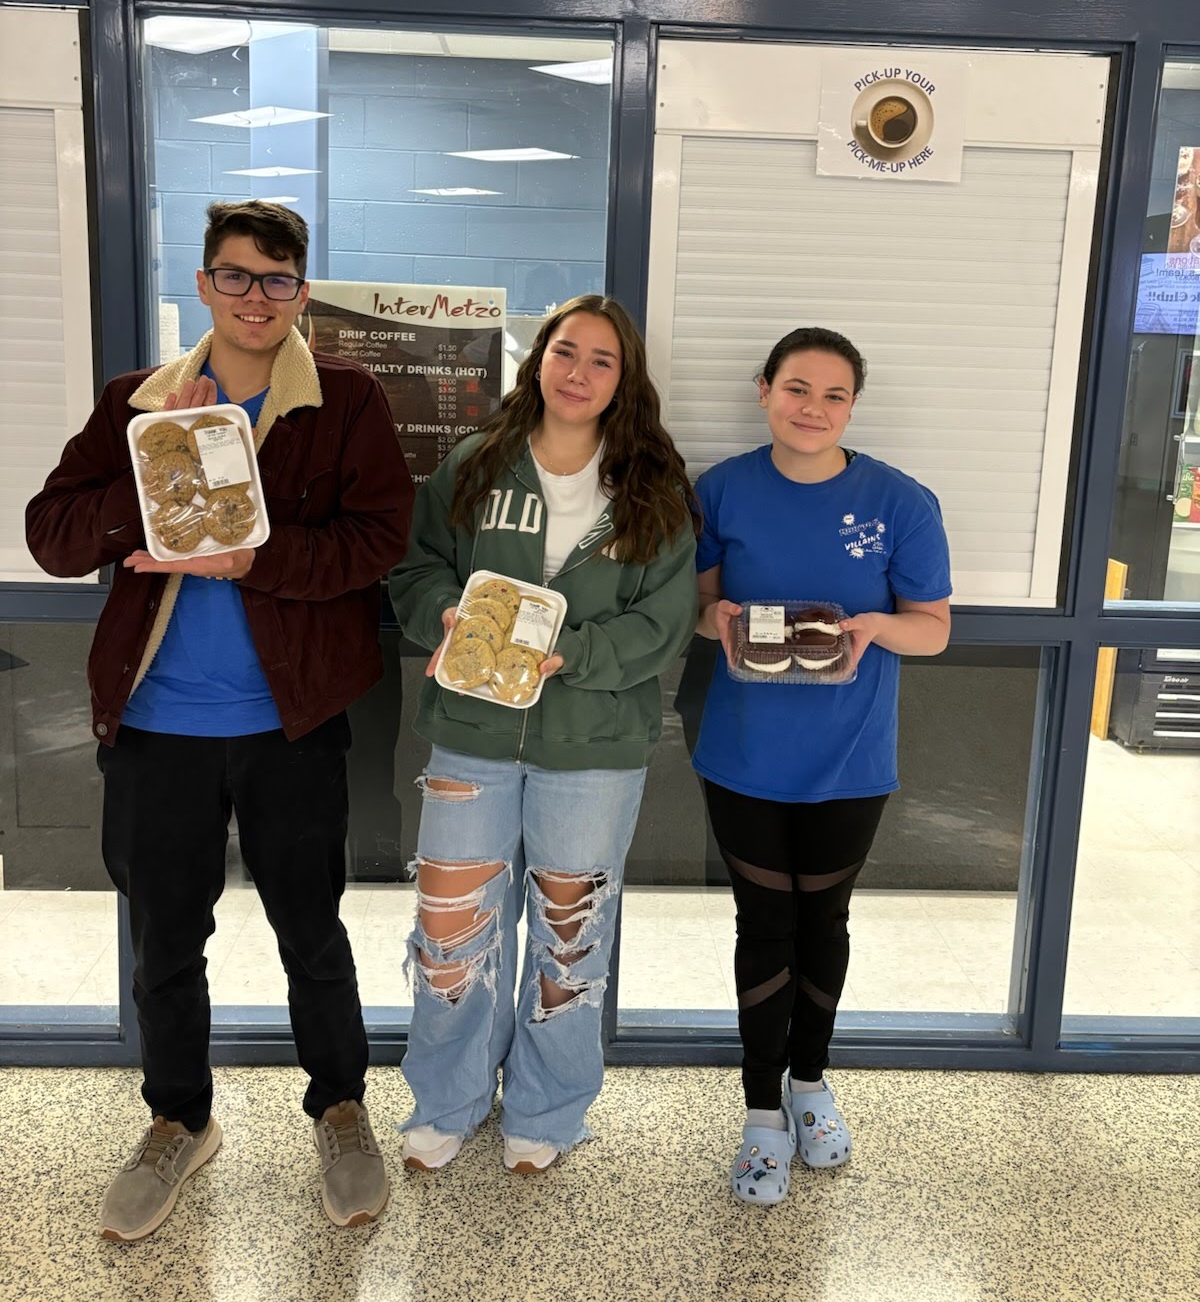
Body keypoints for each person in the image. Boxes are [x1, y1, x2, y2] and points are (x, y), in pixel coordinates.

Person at [26, 201, 414, 1240]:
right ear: (203, 284)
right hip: (156, 724)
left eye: (278, 279)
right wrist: (149, 467)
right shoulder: (137, 401)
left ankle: (340, 1108)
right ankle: (178, 1119)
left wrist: (257, 559)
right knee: (165, 938)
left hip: (292, 723)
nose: (256, 297)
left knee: (311, 930)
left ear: (302, 293)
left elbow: (378, 539)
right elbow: (53, 536)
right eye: (236, 276)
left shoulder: (346, 399)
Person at [389, 294, 699, 1174]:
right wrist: (444, 615)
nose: (579, 372)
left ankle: (548, 1107)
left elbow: (663, 625)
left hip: (593, 749)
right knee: (453, 931)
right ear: (538, 359)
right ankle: (446, 1100)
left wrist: (575, 653)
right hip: (472, 736)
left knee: (571, 938)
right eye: (566, 351)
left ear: (623, 381)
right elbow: (416, 569)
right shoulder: (477, 464)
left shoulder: (651, 491)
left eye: (602, 360)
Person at [693, 326, 952, 1207]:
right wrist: (719, 621)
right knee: (764, 924)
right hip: (744, 753)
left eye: (834, 395)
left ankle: (810, 1083)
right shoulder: (722, 490)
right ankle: (761, 1112)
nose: (813, 408)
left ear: (852, 407)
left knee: (825, 921)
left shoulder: (899, 501)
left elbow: (933, 627)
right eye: (797, 388)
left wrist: (876, 628)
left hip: (850, 755)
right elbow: (695, 610)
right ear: (764, 390)